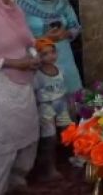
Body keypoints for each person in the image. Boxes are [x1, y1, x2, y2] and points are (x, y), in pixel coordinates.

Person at [0, 0, 40, 194]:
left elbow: (27, 39)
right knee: (3, 141)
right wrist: (14, 63)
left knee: (28, 134)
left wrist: (35, 54)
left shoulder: (15, 10)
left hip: (24, 82)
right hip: (0, 86)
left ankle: (17, 182)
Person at [17, 0, 83, 95]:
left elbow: (75, 26)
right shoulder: (21, 6)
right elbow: (17, 36)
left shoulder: (62, 4)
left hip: (64, 55)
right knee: (47, 100)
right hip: (39, 57)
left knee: (73, 96)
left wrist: (67, 33)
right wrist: (43, 38)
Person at [32, 37, 69, 181]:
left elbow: (63, 88)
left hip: (62, 104)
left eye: (52, 52)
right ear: (38, 56)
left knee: (68, 131)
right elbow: (34, 93)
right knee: (50, 138)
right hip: (46, 107)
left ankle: (74, 158)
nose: (50, 56)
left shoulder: (60, 69)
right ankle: (49, 168)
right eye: (45, 54)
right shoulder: (37, 75)